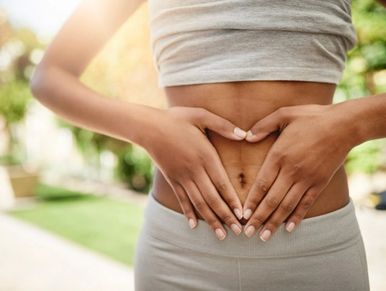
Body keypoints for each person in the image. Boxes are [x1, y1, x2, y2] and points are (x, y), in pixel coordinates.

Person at [30, 0, 386, 290]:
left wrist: (351, 124)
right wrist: (150, 128)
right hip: (179, 255)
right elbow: (51, 77)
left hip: (315, 253)